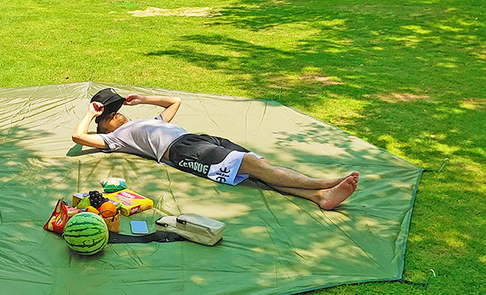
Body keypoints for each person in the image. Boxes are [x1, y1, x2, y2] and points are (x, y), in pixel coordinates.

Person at [71, 88, 358, 211]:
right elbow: (78, 137)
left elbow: (174, 102)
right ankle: (322, 183)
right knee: (254, 166)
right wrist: (91, 113)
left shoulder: (147, 122)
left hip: (197, 138)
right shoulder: (116, 139)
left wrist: (143, 99)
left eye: (116, 110)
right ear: (104, 127)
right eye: (109, 116)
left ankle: (319, 197)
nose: (116, 115)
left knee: (260, 166)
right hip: (183, 151)